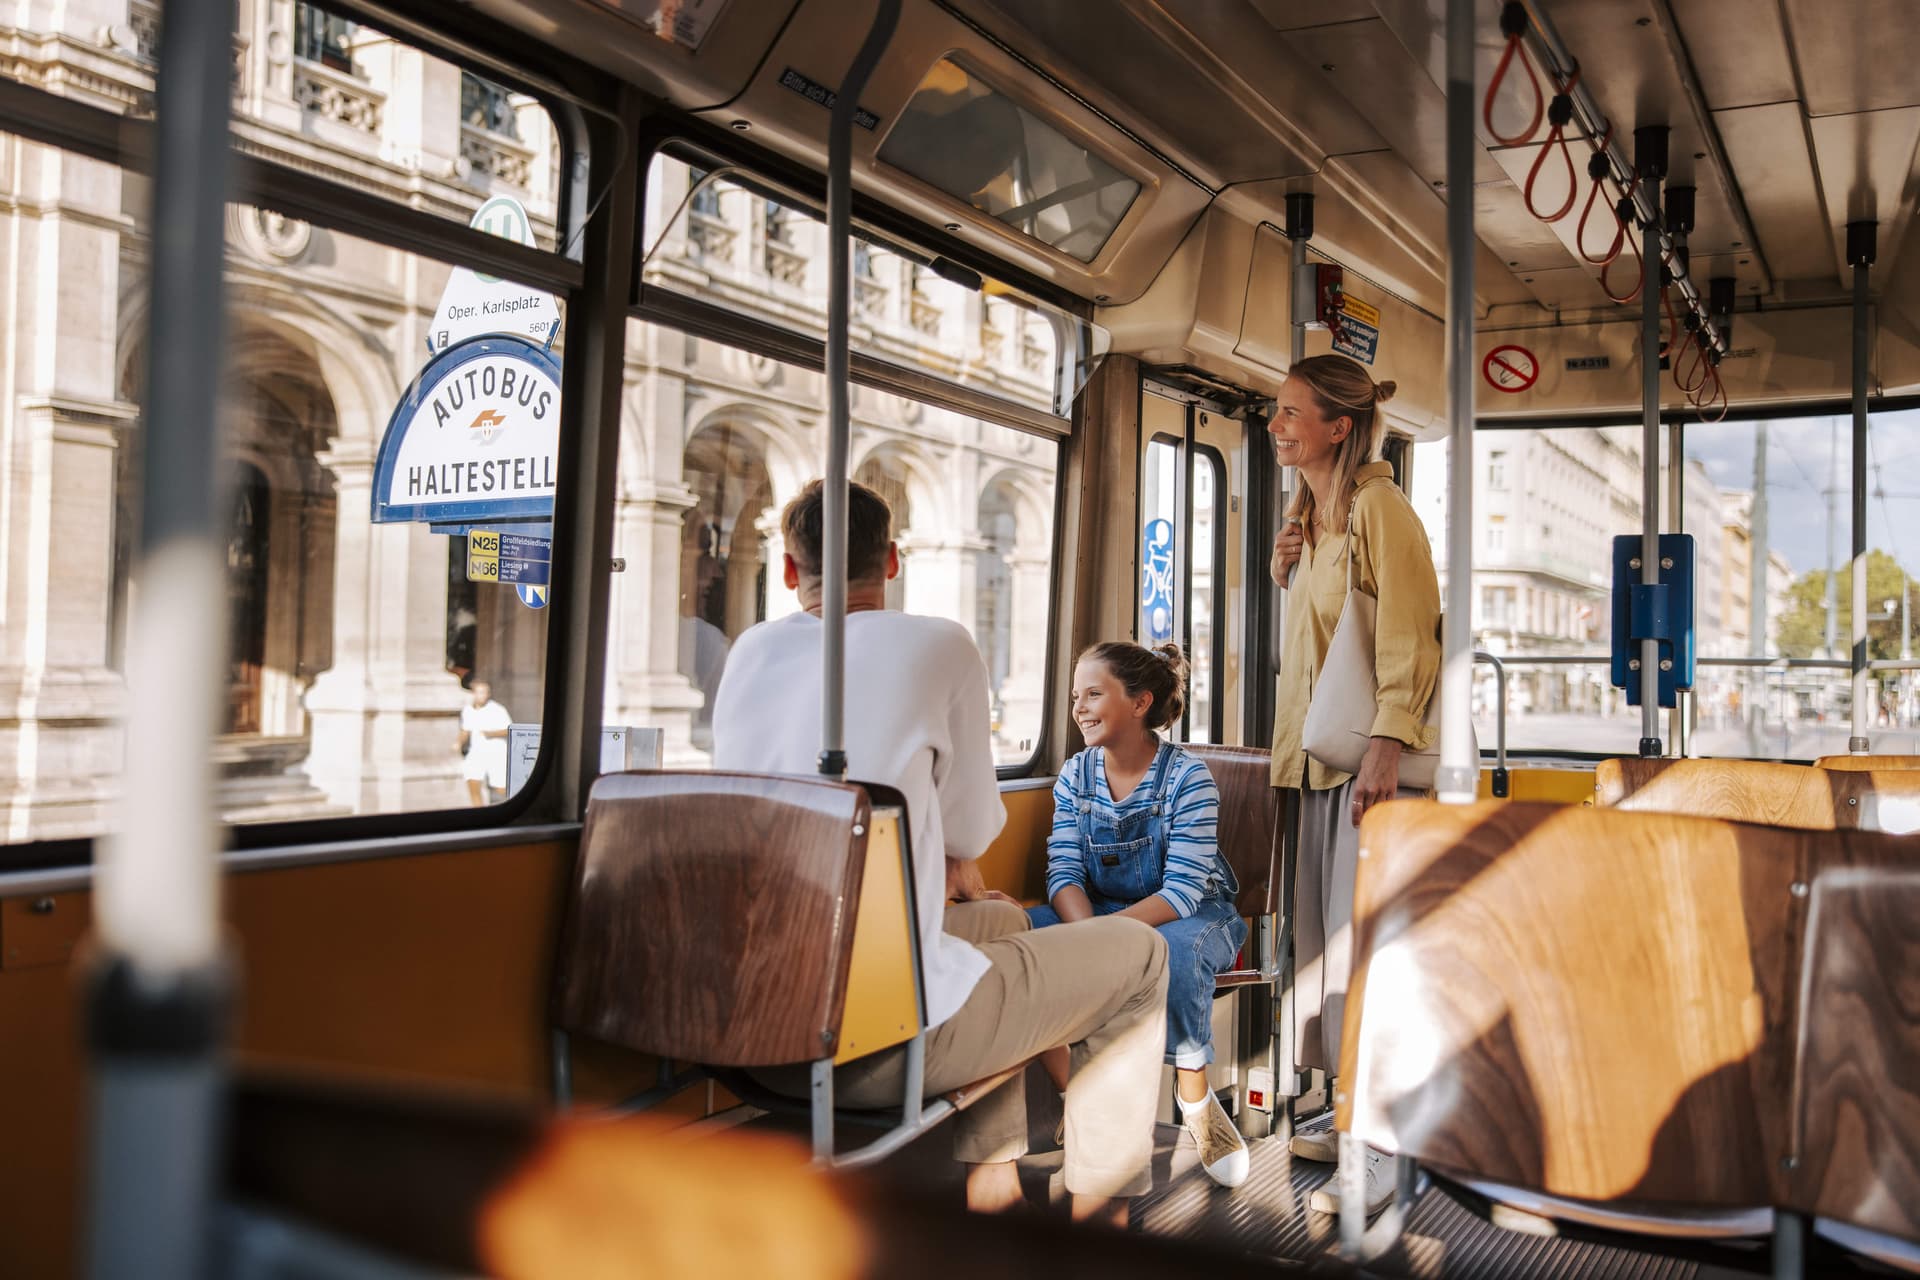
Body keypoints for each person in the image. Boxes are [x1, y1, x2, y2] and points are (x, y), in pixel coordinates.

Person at [712, 479, 1170, 1225]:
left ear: (790, 571)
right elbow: (970, 832)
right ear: (892, 561)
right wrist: (950, 852)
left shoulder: (749, 652)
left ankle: (990, 1181)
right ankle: (1100, 1225)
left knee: (1008, 926)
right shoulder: (941, 644)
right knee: (1141, 956)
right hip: (868, 1042)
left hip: (741, 1017)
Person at [1268, 354, 1440, 1217]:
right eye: (1275, 411)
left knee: (1367, 954)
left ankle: (1377, 1143)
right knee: (1323, 957)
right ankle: (1346, 1115)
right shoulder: (1315, 521)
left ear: (1340, 426)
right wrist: (1285, 569)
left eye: (1293, 412)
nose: (1277, 424)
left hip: (1363, 769)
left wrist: (1386, 748)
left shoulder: (1382, 511)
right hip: (1311, 766)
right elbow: (1319, 648)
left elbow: (1410, 639)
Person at [1027, 641, 1250, 1189]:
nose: (1079, 707)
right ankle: (1075, 1094)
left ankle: (1194, 1095)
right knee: (1026, 938)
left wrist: (1106, 936)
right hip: (1099, 911)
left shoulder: (1187, 779)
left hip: (1195, 913)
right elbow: (1064, 873)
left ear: (1141, 702)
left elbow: (1181, 891)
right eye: (1075, 696)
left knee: (1171, 952)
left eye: (1094, 694)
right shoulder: (1075, 775)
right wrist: (1088, 933)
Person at [459, 679, 513, 806]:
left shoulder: (497, 709)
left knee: (500, 788)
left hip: (496, 752)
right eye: (479, 692)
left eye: (484, 692)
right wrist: (457, 743)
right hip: (476, 752)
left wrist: (491, 734)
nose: (482, 695)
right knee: (473, 782)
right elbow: (465, 730)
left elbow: (509, 730)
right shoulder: (468, 710)